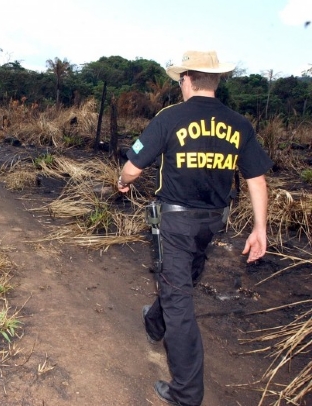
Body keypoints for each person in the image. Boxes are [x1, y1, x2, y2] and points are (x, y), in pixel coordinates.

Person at [117, 50, 273, 406]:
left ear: (186, 79)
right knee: (180, 279)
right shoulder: (239, 124)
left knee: (179, 301)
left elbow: (133, 166)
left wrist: (122, 181)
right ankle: (154, 323)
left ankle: (186, 393)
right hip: (213, 223)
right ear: (214, 81)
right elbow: (257, 179)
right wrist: (259, 228)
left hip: (174, 222)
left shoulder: (170, 117)